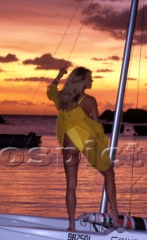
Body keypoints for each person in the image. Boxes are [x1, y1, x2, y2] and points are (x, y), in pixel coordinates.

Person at [47, 67, 119, 231]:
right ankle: (115, 217)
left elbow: (51, 91)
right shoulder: (89, 100)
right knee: (109, 173)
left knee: (71, 185)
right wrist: (102, 144)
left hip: (68, 142)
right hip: (85, 140)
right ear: (82, 81)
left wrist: (59, 75)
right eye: (90, 78)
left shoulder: (61, 99)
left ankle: (72, 225)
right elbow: (96, 125)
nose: (92, 81)